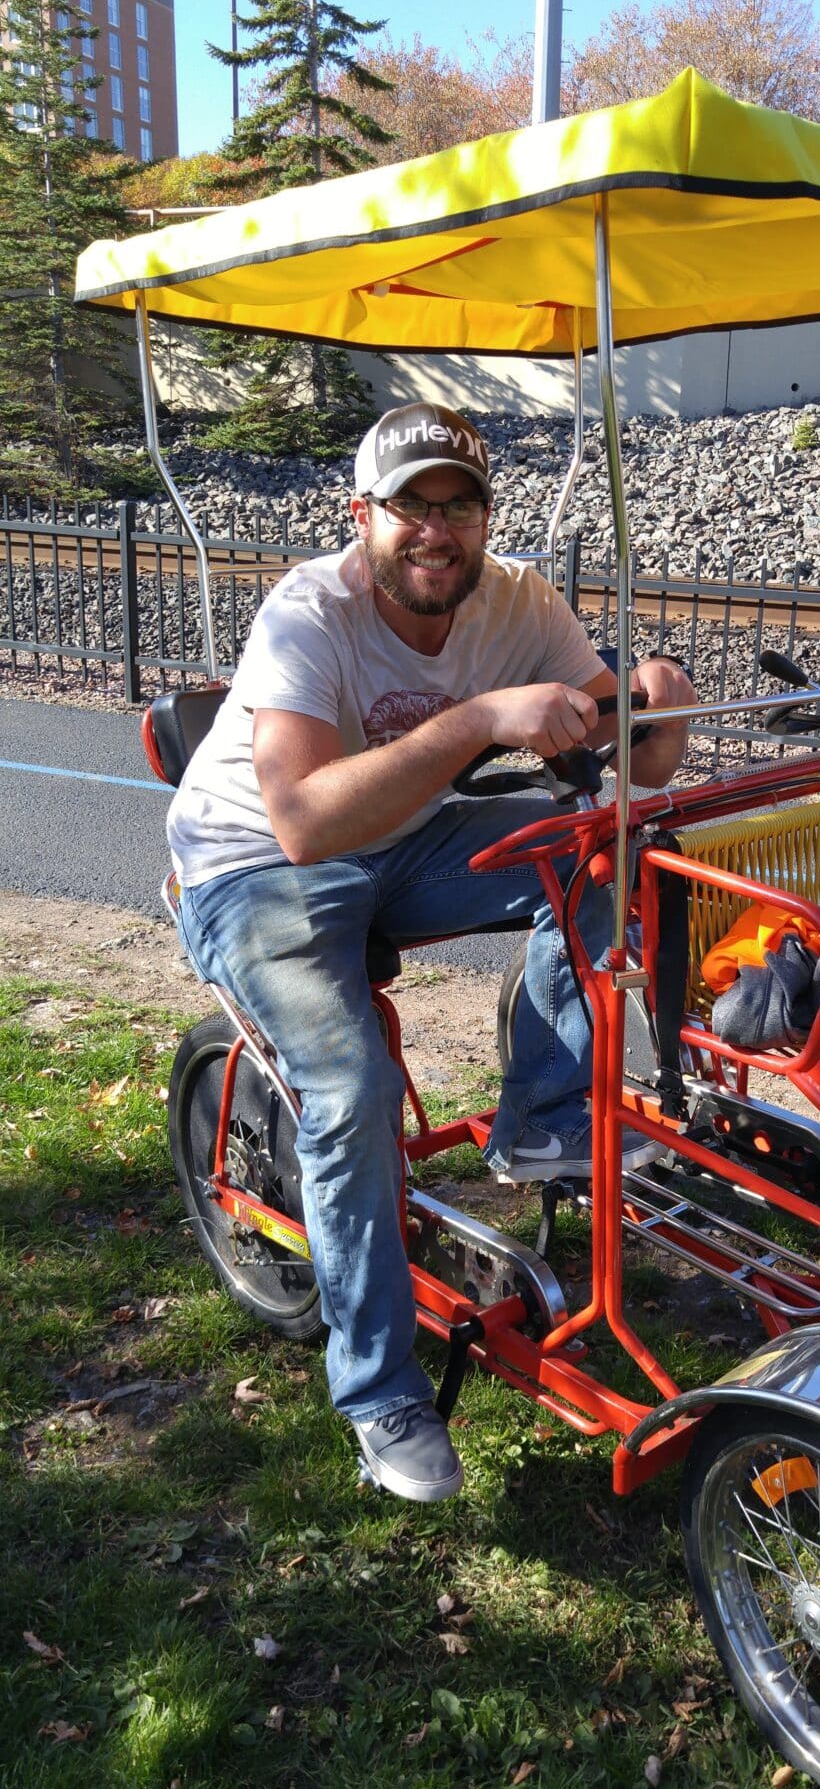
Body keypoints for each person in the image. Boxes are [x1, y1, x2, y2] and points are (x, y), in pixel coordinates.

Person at [167, 402, 695, 1506]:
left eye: (459, 506)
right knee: (350, 1089)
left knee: (620, 851)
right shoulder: (309, 610)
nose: (436, 531)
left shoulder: (518, 601)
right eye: (412, 506)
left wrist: (657, 707)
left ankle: (541, 1117)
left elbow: (627, 768)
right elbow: (306, 819)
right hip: (256, 865)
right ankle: (377, 1392)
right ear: (364, 515)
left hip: (403, 842)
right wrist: (479, 720)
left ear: (484, 517)